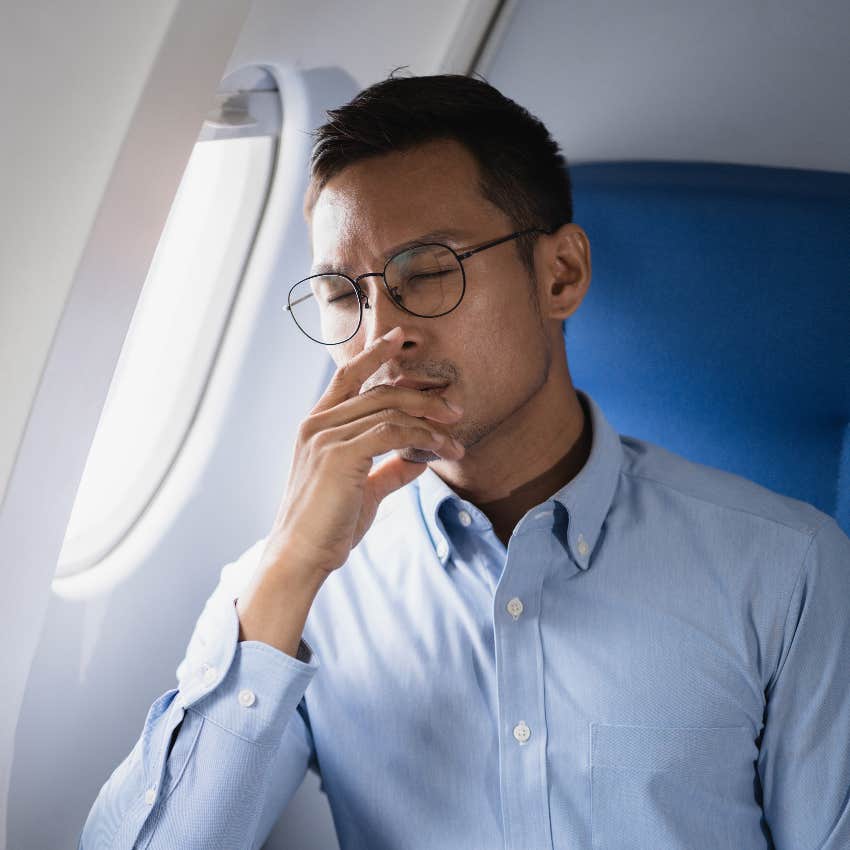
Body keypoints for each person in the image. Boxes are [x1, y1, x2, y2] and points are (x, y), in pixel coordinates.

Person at [80, 74, 850, 850]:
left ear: (561, 275)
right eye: (343, 295)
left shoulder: (789, 569)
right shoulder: (293, 589)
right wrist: (289, 569)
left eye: (427, 274)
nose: (384, 336)